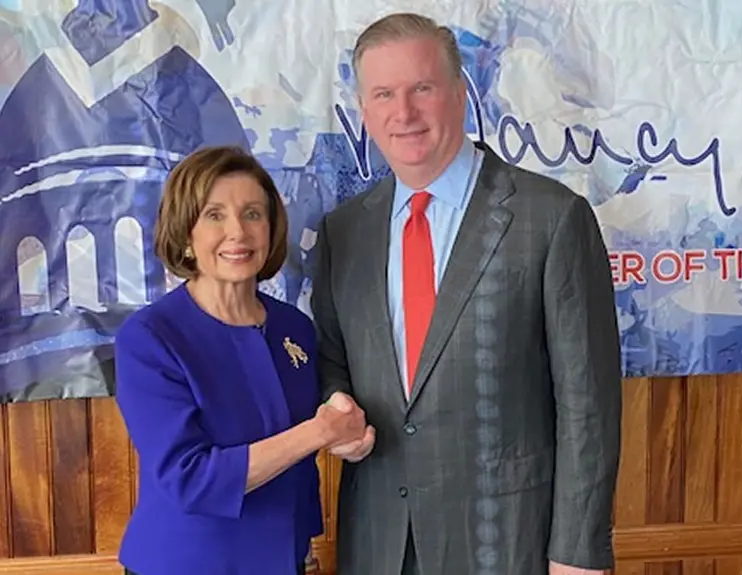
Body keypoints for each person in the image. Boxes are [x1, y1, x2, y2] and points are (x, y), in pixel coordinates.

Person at [311, 12, 622, 575]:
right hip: (380, 543)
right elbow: (333, 362)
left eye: (421, 89)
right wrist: (338, 408)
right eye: (383, 94)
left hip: (506, 542)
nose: (402, 113)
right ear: (364, 111)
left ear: (459, 93)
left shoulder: (550, 219)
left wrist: (578, 552)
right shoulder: (344, 232)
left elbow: (589, 404)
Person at [113, 146, 368, 575]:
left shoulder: (294, 328)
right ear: (186, 233)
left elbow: (303, 458)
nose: (238, 232)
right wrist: (319, 432)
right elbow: (190, 478)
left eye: (252, 214)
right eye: (215, 215)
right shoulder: (150, 338)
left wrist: (347, 435)